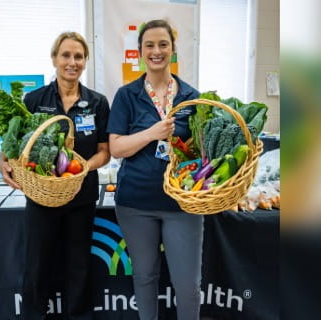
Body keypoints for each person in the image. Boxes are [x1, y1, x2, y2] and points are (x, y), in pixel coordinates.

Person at [0, 31, 111, 320]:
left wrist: (83, 168)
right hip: (41, 198)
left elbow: (105, 151)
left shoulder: (97, 102)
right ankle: (34, 315)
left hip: (81, 195)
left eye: (78, 56)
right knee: (37, 264)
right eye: (66, 55)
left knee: (78, 264)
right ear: (54, 58)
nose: (72, 62)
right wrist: (4, 161)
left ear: (85, 61)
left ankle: (78, 315)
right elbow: (16, 140)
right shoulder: (34, 99)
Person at [106, 20, 204, 320]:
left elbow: (200, 150)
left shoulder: (191, 96)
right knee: (145, 277)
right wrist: (152, 133)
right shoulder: (126, 95)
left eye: (163, 44)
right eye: (149, 45)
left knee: (187, 285)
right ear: (140, 52)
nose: (156, 50)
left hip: (182, 205)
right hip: (136, 204)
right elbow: (117, 148)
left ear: (173, 50)